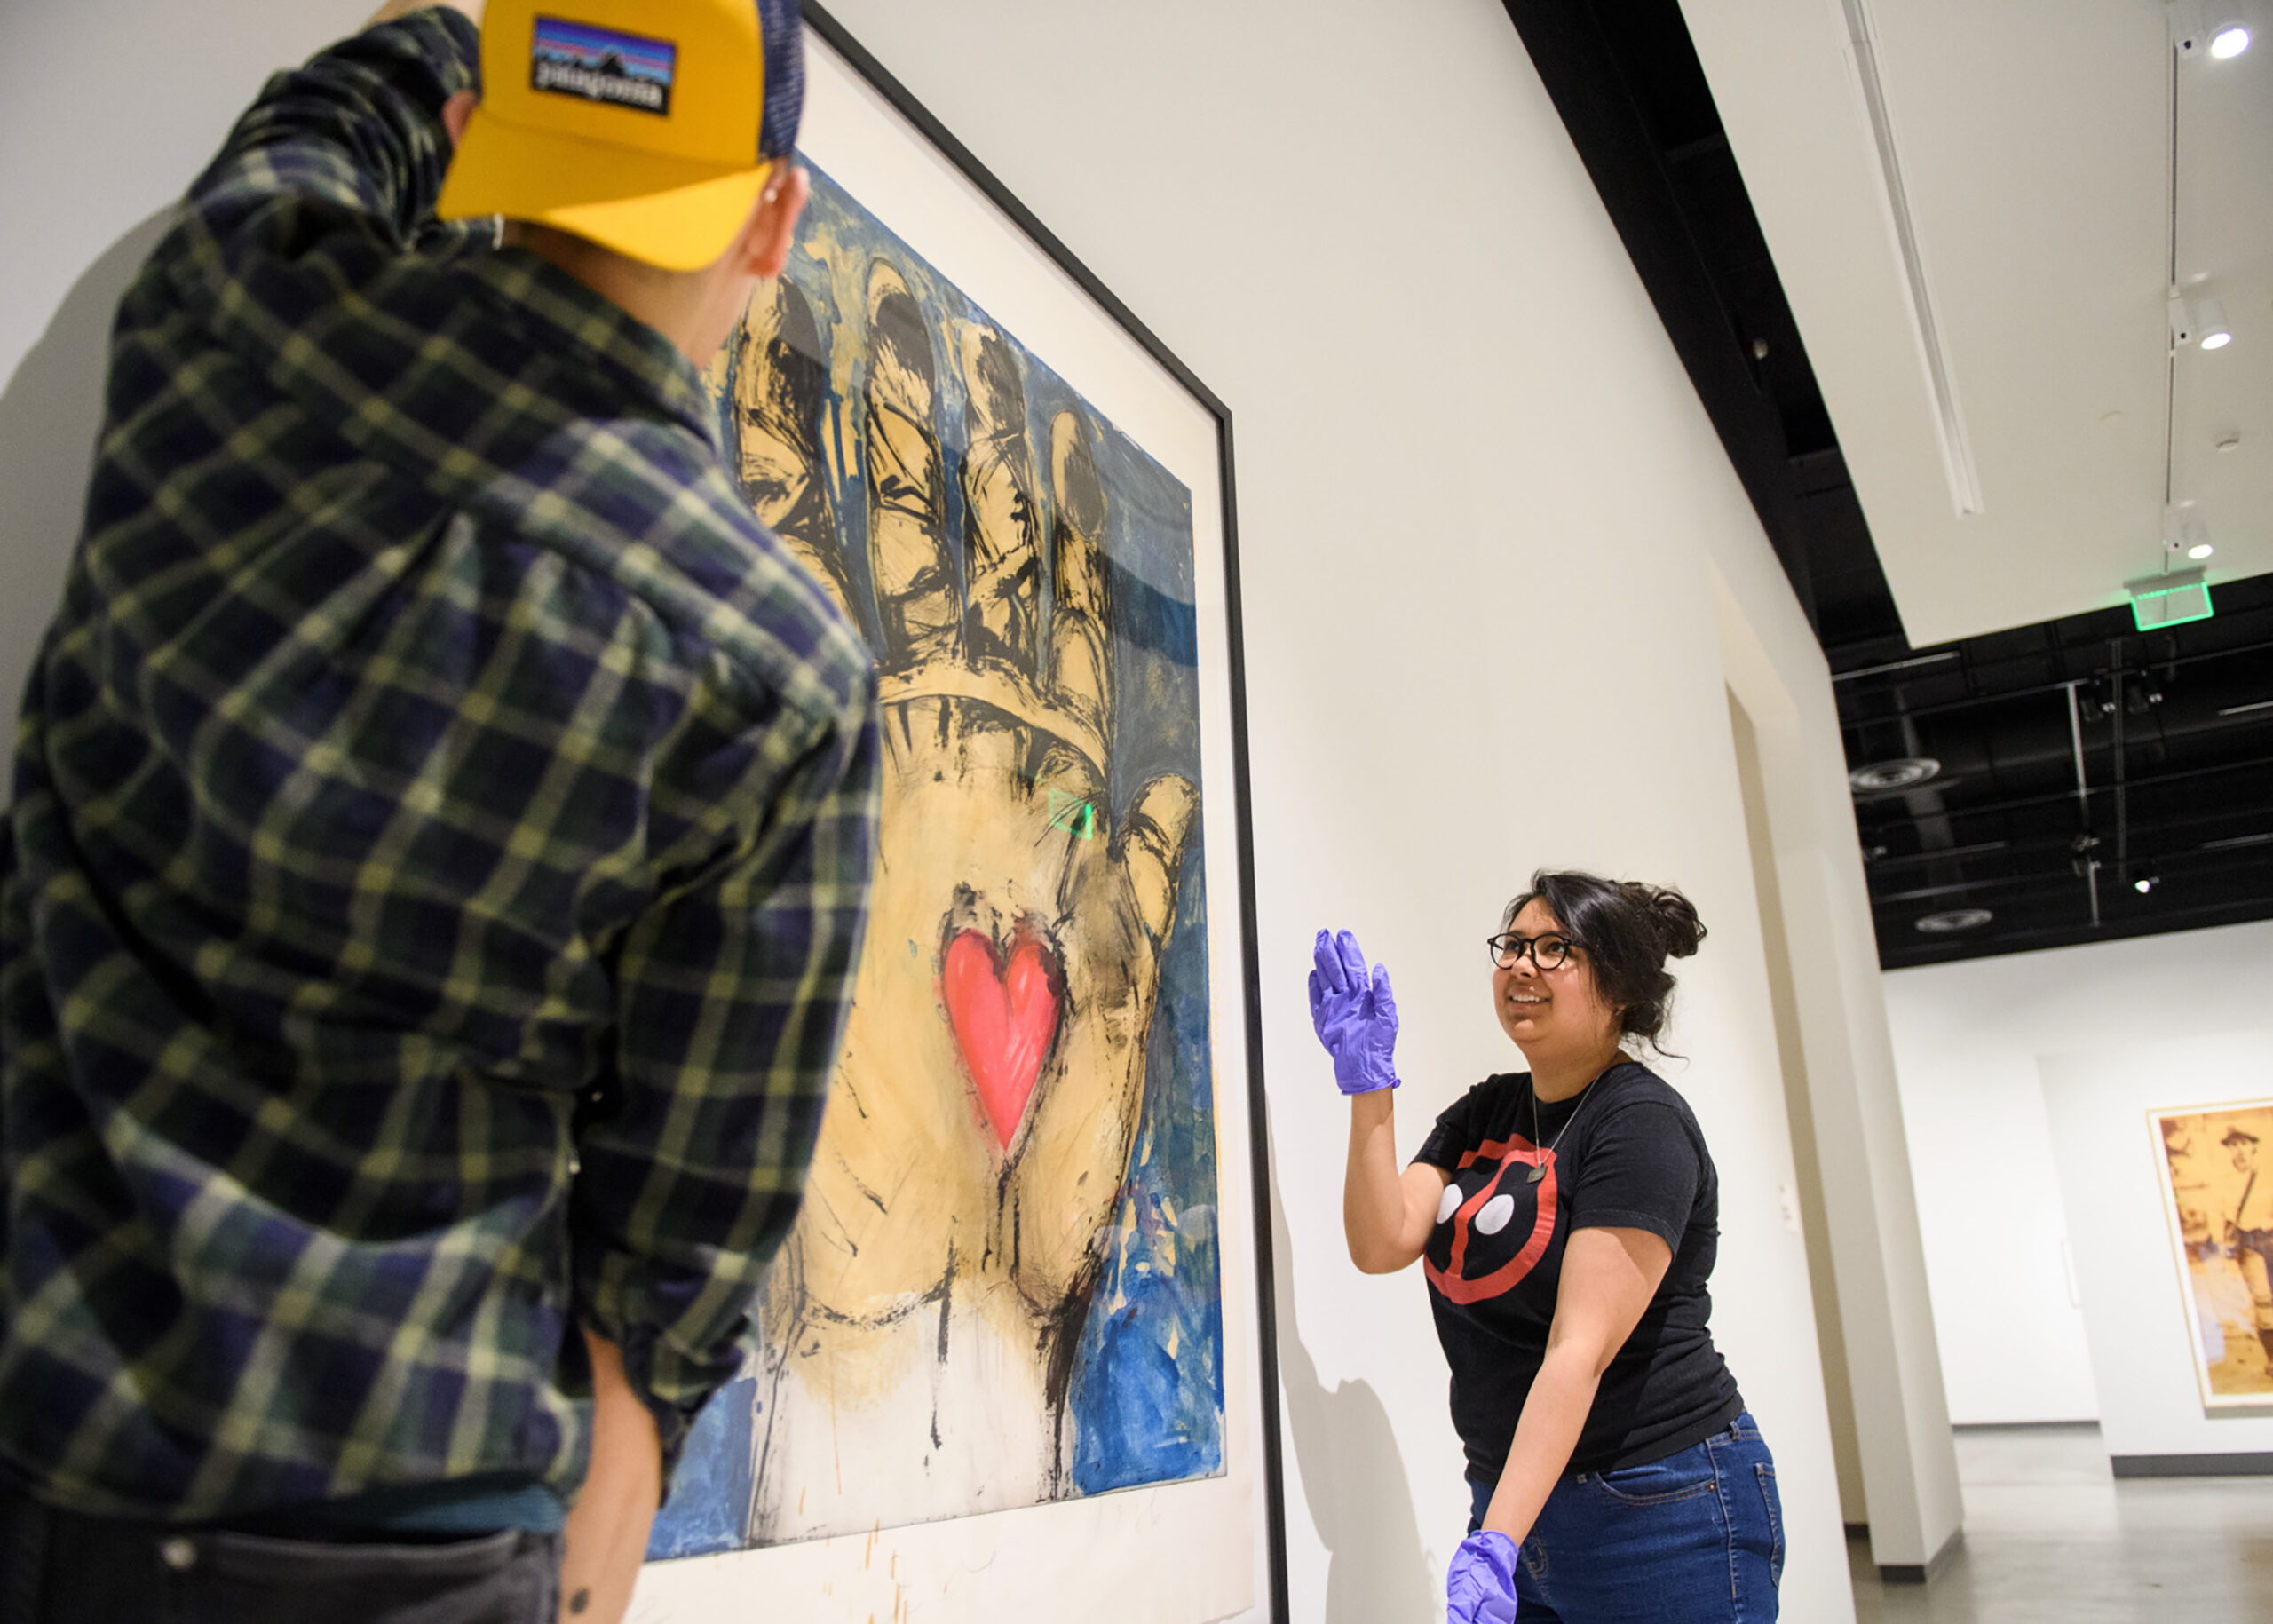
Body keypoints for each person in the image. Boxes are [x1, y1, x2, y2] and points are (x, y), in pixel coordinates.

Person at [0, 1, 878, 1619]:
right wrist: (599, 1550)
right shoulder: (779, 668)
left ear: (485, 132)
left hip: (45, 1423)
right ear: (774, 216)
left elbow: (336, 110)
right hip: (402, 1525)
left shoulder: (230, 309)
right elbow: (683, 1232)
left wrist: (502, 50)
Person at [1315, 871, 1780, 1623]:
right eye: (1514, 944)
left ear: (1620, 987)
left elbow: (1578, 1349)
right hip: (1516, 1500)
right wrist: (1370, 1086)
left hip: (1661, 1505)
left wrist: (1495, 1538)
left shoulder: (1640, 1124)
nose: (1522, 965)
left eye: (1555, 947)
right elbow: (1383, 1240)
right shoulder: (1487, 1109)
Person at [2220, 1126, 2273, 1369]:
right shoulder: (2225, 1181)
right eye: (2233, 1145)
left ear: (2253, 1146)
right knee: (2263, 1301)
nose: (2239, 1150)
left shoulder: (2268, 1172)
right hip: (2249, 1245)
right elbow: (2225, 1220)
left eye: (2243, 1144)